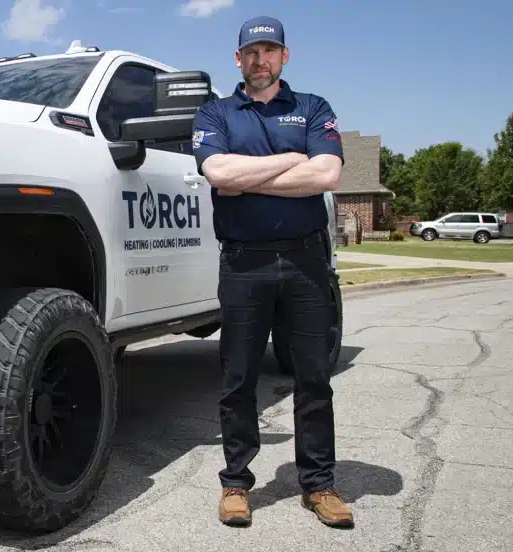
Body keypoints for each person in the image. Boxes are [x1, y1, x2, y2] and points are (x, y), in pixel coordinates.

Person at [190, 16, 354, 529]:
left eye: (270, 51)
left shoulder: (313, 107)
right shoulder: (215, 112)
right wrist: (292, 160)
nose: (260, 60)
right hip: (244, 263)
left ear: (286, 56)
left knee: (313, 378)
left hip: (306, 261)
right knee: (238, 378)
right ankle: (236, 483)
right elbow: (217, 173)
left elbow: (327, 173)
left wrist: (249, 176)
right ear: (237, 59)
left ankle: (319, 485)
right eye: (251, 52)